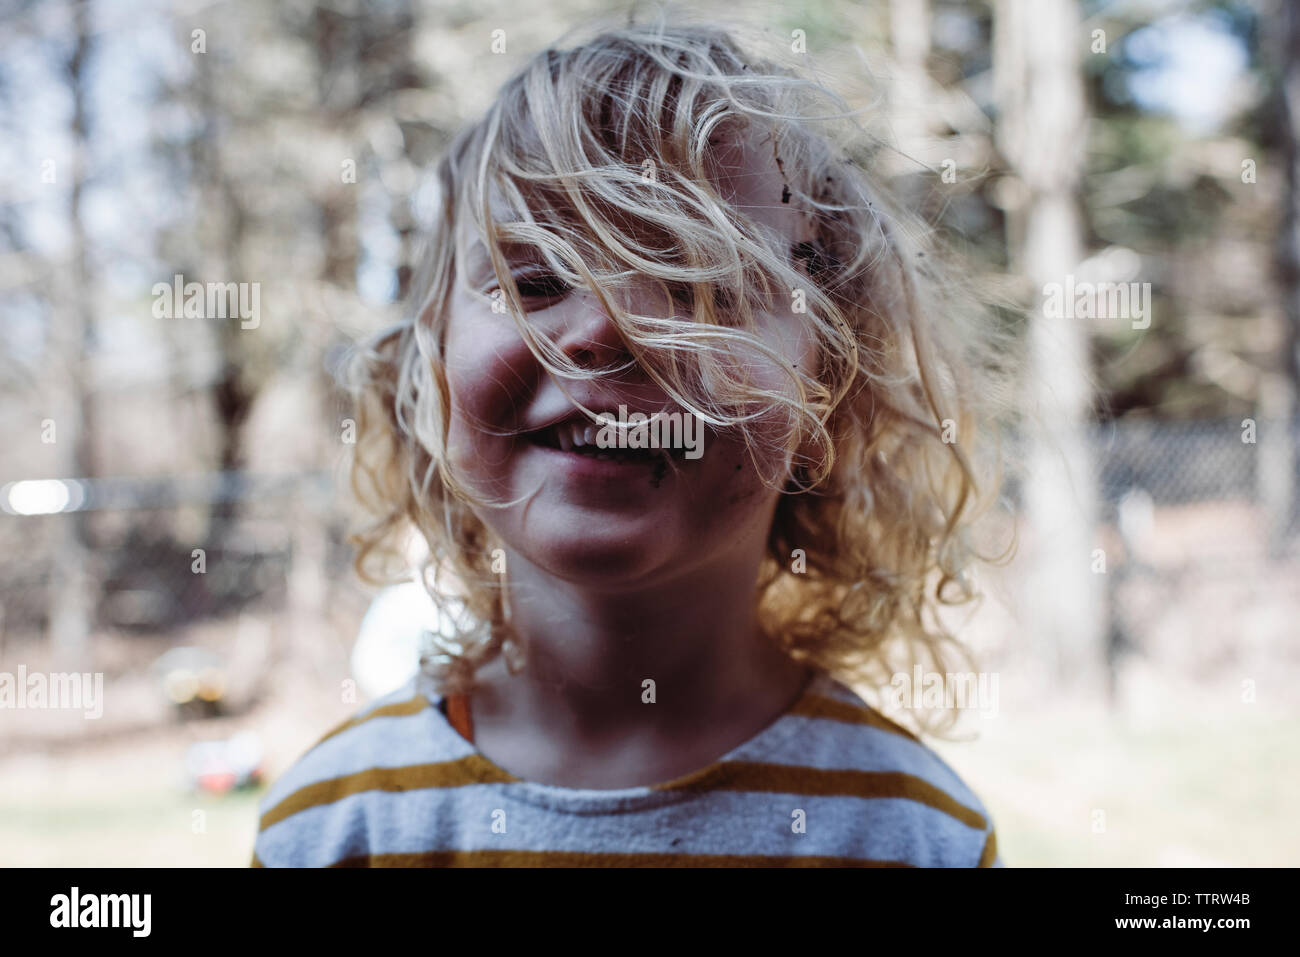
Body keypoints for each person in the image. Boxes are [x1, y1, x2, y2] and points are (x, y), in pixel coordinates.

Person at [253, 13, 1015, 867]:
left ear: (831, 393)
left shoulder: (917, 839)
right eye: (534, 278)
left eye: (702, 282)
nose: (605, 328)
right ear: (428, 371)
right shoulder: (328, 834)